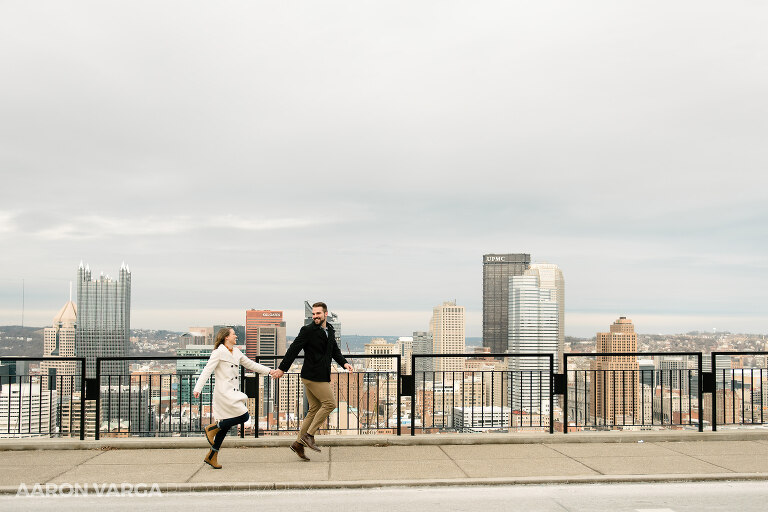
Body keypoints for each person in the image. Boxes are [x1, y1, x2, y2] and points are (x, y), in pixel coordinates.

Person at [273, 301, 353, 461]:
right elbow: (293, 349)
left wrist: (344, 363)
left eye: (318, 314)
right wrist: (282, 368)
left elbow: (334, 351)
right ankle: (308, 436)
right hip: (312, 375)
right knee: (330, 404)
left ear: (325, 314)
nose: (315, 316)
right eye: (313, 314)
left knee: (314, 408)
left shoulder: (329, 329)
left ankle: (298, 444)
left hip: (321, 374)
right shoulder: (308, 330)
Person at [193, 327, 274, 468]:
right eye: (233, 334)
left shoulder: (236, 352)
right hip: (224, 394)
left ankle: (212, 455)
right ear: (226, 337)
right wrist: (198, 388)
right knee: (244, 416)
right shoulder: (218, 353)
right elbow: (207, 370)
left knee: (225, 427)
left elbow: (251, 364)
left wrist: (270, 371)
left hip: (233, 392)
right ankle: (213, 428)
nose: (236, 336)